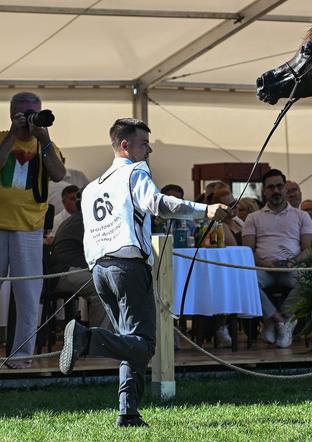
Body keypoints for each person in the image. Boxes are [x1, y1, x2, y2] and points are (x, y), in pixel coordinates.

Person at [58, 118, 230, 428]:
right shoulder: (135, 171)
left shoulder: (92, 187)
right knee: (143, 344)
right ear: (125, 146)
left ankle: (128, 412)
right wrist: (205, 210)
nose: (149, 149)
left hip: (100, 269)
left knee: (130, 341)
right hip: (128, 265)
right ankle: (87, 339)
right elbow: (157, 203)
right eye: (143, 143)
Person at [0, 92, 65, 368]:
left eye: (34, 113)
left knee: (28, 296)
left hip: (30, 229)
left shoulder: (46, 144)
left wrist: (45, 139)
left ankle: (22, 359)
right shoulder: (3, 137)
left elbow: (59, 175)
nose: (29, 120)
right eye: (24, 114)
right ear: (12, 114)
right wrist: (13, 134)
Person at [242, 169, 312, 348]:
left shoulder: (302, 216)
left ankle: (279, 320)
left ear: (285, 189)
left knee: (309, 282)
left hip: (292, 267)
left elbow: (309, 249)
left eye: (279, 186)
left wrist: (294, 262)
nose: (275, 191)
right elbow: (246, 251)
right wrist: (263, 263)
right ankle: (278, 321)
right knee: (244, 282)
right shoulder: (253, 218)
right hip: (263, 267)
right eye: (271, 187)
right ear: (264, 191)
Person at [48, 193, 109, 329]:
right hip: (62, 272)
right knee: (103, 287)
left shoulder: (78, 219)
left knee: (109, 281)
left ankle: (105, 338)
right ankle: (99, 341)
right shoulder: (85, 221)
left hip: (65, 270)